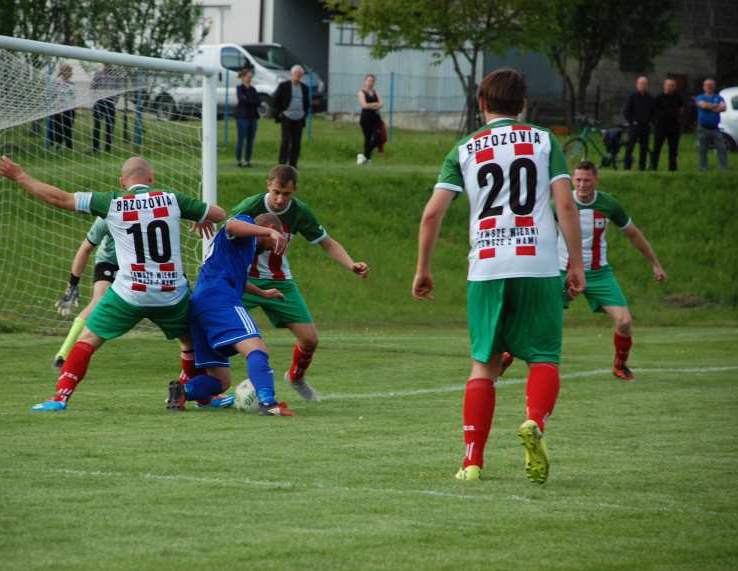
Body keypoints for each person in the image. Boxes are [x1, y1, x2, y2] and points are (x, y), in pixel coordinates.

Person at [412, 68, 585, 484]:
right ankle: (534, 422)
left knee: (483, 366)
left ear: (481, 104)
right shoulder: (544, 140)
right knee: (543, 357)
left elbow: (432, 212)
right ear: (523, 104)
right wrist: (576, 263)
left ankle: (472, 461)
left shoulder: (466, 148)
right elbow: (565, 205)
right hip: (537, 264)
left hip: (487, 266)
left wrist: (423, 268)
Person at [0, 155, 226, 412]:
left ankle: (60, 398)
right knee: (189, 342)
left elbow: (59, 198)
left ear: (122, 182)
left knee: (88, 338)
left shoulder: (112, 202)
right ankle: (196, 394)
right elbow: (218, 214)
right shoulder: (173, 198)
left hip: (130, 293)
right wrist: (199, 216)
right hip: (170, 293)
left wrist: (20, 176)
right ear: (151, 178)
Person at [231, 165, 369, 402]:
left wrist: (351, 264)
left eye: (286, 194)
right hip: (244, 280)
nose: (280, 199)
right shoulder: (251, 206)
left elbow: (326, 242)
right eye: (276, 192)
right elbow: (228, 229)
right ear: (268, 185)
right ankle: (200, 384)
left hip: (281, 282)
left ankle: (296, 377)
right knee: (212, 329)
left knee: (310, 340)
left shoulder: (299, 212)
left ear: (294, 192)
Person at [167, 213, 295, 416]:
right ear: (271, 226)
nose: (271, 249)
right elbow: (231, 226)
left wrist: (262, 293)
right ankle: (268, 403)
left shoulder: (241, 249)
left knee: (221, 381)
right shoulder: (246, 224)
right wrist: (269, 232)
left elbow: (235, 278)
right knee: (257, 350)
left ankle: (183, 391)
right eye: (272, 244)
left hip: (200, 306)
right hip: (220, 300)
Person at [557, 161, 666, 381]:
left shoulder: (609, 205)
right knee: (537, 318)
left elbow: (633, 234)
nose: (582, 184)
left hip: (598, 273)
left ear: (596, 180)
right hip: (562, 271)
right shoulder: (559, 203)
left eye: (587, 180)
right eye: (577, 179)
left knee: (624, 321)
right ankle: (507, 356)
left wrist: (655, 263)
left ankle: (620, 366)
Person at [51, 217, 118, 370]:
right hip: (110, 262)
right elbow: (85, 248)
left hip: (139, 263)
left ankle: (185, 351)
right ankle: (64, 354)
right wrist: (72, 285)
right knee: (100, 301)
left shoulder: (151, 208)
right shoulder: (107, 214)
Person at [272, 65, 310, 168]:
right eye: (295, 73)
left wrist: (304, 114)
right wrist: (280, 112)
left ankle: (293, 164)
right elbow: (275, 100)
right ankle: (282, 163)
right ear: (291, 74)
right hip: (287, 117)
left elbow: (307, 103)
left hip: (299, 118)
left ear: (301, 76)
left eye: (299, 74)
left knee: (296, 142)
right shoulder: (283, 86)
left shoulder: (305, 88)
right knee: (286, 140)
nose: (297, 75)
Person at [695, 78, 728, 171]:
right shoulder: (700, 97)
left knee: (722, 148)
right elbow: (703, 105)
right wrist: (715, 105)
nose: (709, 86)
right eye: (707, 85)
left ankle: (723, 168)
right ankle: (703, 168)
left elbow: (724, 108)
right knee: (702, 149)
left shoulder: (719, 97)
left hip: (715, 128)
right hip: (703, 128)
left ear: (714, 86)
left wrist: (709, 106)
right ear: (704, 87)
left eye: (711, 84)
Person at [623, 76, 655, 171]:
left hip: (645, 127)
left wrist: (651, 121)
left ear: (647, 85)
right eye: (641, 83)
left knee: (644, 148)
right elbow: (626, 111)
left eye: (645, 84)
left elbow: (653, 112)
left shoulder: (650, 98)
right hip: (634, 126)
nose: (643, 85)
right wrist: (631, 121)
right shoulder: (632, 97)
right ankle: (627, 167)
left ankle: (642, 168)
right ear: (637, 85)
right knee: (630, 147)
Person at [651, 79, 683, 171]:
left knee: (673, 149)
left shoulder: (678, 97)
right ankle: (654, 167)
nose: (670, 87)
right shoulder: (658, 97)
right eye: (668, 85)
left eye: (672, 85)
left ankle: (672, 169)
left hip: (674, 127)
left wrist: (679, 121)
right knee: (657, 148)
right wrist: (655, 123)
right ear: (664, 86)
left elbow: (681, 109)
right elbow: (653, 112)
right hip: (661, 127)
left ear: (675, 87)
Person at [235, 68, 261, 168]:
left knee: (250, 140)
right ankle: (239, 160)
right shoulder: (239, 88)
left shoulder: (253, 89)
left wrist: (249, 100)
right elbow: (242, 100)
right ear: (242, 77)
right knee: (241, 139)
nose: (249, 78)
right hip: (242, 117)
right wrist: (251, 101)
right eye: (247, 76)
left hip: (253, 117)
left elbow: (258, 102)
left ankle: (247, 160)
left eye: (250, 77)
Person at [357, 74, 384, 165]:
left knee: (378, 137)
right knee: (368, 138)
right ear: (365, 81)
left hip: (376, 118)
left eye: (372, 81)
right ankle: (367, 160)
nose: (370, 82)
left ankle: (363, 155)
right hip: (366, 119)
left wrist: (373, 105)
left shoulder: (376, 92)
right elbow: (364, 105)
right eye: (368, 80)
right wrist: (375, 104)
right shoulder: (361, 92)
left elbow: (381, 104)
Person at [91, 65, 119, 154]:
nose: (108, 65)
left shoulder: (115, 76)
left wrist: (115, 101)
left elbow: (118, 89)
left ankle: (108, 147)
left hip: (110, 102)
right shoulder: (98, 74)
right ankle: (95, 148)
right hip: (99, 102)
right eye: (106, 64)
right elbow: (92, 87)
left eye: (109, 64)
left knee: (110, 126)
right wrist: (94, 98)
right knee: (97, 125)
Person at [50, 64, 76, 149]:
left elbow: (73, 97)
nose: (70, 73)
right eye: (68, 71)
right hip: (58, 108)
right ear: (63, 72)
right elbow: (52, 94)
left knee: (68, 128)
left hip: (69, 109)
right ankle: (57, 144)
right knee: (58, 127)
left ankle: (69, 146)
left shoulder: (72, 83)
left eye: (70, 71)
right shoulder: (56, 82)